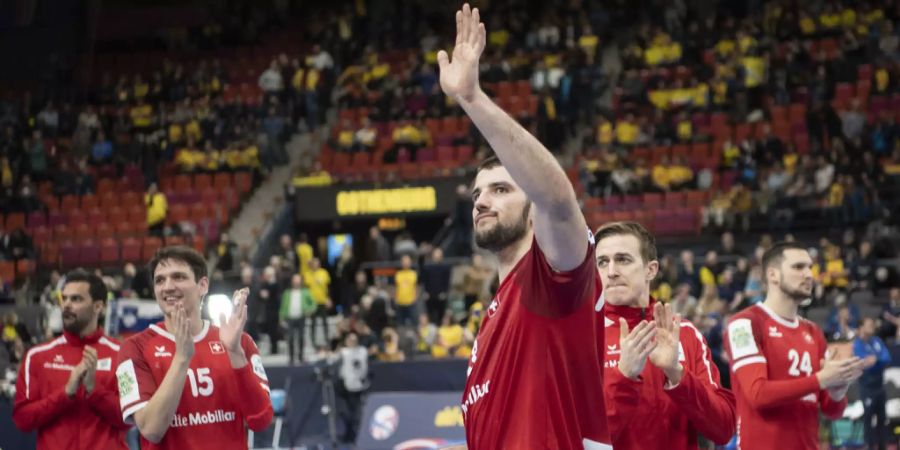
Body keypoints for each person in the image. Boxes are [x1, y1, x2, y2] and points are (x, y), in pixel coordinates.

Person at [438, 5, 609, 448]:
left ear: (531, 208)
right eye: (477, 195)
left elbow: (557, 199)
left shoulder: (551, 277)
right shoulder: (500, 305)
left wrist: (472, 99)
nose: (483, 202)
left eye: (500, 190)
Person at [594, 221, 736, 450]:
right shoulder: (581, 339)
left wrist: (677, 373)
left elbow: (723, 428)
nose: (611, 272)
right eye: (602, 262)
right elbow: (579, 441)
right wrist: (624, 378)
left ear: (651, 269)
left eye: (623, 259)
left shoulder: (685, 334)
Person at [115, 246, 273, 449]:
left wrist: (236, 354)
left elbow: (260, 421)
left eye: (178, 277)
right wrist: (182, 359)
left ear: (203, 285)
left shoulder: (239, 342)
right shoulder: (134, 348)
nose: (168, 287)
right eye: (160, 280)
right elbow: (151, 429)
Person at [724, 242, 866, 450]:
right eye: (798, 267)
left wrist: (838, 388)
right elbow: (757, 394)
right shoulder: (744, 324)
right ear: (773, 275)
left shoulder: (814, 332)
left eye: (810, 267)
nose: (809, 274)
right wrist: (820, 379)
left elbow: (831, 411)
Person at [13, 269, 129, 449]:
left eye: (76, 299)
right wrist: (66, 394)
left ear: (98, 306)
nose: (66, 304)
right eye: (64, 298)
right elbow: (22, 419)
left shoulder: (123, 354)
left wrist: (94, 391)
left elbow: (129, 419)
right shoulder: (37, 356)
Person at [852, 317, 892, 450]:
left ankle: (883, 447)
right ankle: (868, 446)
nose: (872, 327)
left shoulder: (877, 341)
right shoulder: (857, 344)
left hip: (880, 387)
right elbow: (864, 364)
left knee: (882, 420)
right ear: (861, 328)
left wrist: (876, 359)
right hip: (867, 387)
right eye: (869, 324)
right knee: (868, 420)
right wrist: (875, 361)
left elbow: (887, 358)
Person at [280, 273, 315, 365]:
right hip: (290, 318)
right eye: (295, 280)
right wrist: (281, 317)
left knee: (301, 337)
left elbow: (313, 303)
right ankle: (291, 357)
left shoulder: (305, 292)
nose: (296, 282)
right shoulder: (287, 293)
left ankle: (300, 356)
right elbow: (283, 306)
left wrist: (309, 310)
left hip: (301, 317)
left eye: (298, 280)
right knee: (290, 337)